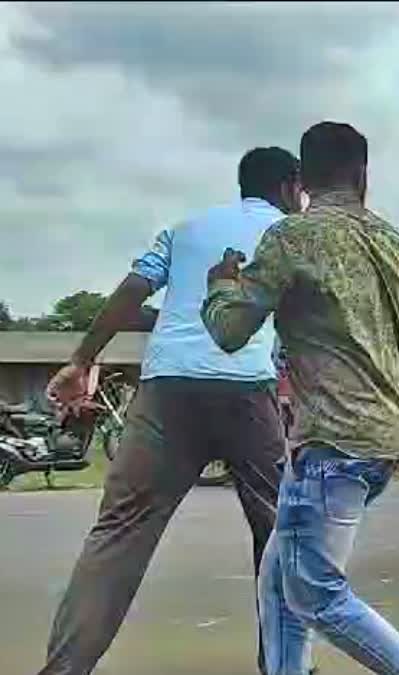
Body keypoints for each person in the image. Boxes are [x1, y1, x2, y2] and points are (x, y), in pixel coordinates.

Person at [202, 121, 399, 675]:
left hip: (332, 443)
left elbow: (230, 332)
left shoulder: (293, 238)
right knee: (279, 582)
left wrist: (221, 283)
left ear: (302, 180)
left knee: (314, 592)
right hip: (380, 440)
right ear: (363, 174)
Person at [39, 147, 303, 675]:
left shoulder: (185, 229)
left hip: (166, 390)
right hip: (244, 390)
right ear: (290, 186)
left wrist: (81, 359)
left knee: (119, 530)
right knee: (280, 535)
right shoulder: (292, 236)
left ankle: (64, 669)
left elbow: (132, 290)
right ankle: (283, 665)